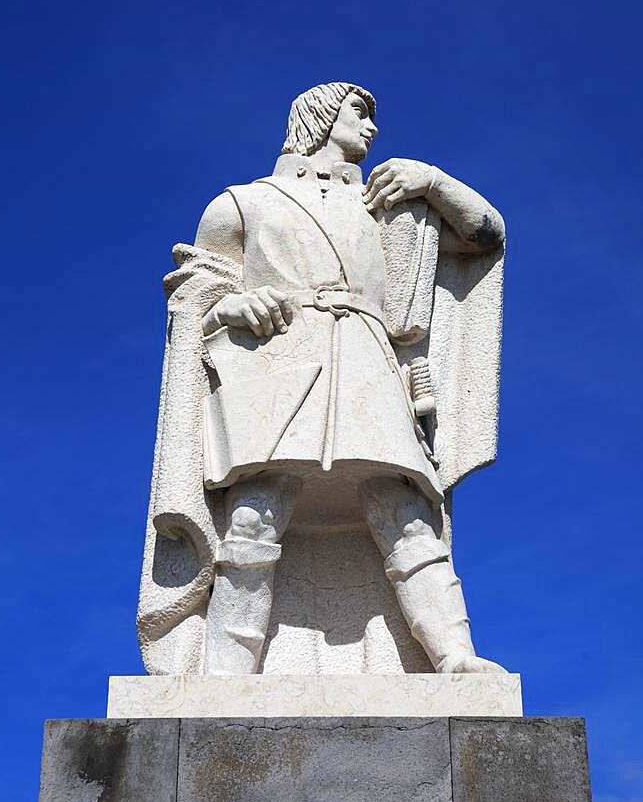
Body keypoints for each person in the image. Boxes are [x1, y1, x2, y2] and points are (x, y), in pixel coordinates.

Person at [181, 82, 507, 676]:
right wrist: (229, 306)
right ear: (320, 116)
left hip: (366, 356)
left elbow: (486, 235)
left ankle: (454, 657)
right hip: (277, 358)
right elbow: (197, 291)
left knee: (402, 506)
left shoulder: (388, 206)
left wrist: (432, 181)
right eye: (360, 112)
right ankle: (226, 670)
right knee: (256, 509)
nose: (373, 127)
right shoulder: (243, 203)